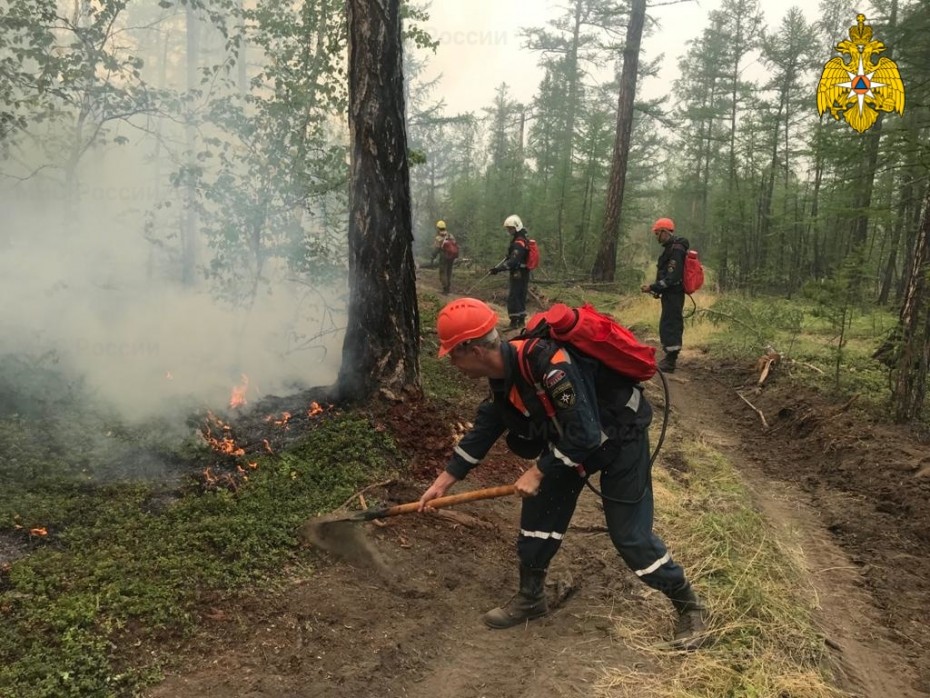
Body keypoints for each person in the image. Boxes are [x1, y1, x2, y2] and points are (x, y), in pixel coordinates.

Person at [418, 297, 709, 650]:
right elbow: (486, 427)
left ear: (474, 349)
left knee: (630, 537)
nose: (451, 362)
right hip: (572, 443)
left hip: (619, 436)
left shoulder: (551, 366)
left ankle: (689, 606)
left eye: (453, 353)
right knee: (538, 517)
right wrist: (442, 483)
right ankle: (531, 597)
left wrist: (539, 470)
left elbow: (586, 434)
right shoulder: (503, 376)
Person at [641, 217, 689, 373]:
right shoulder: (671, 248)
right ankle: (669, 357)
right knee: (667, 324)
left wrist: (654, 287)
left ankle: (670, 361)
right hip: (670, 293)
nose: (656, 237)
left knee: (671, 324)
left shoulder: (676, 249)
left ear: (664, 231)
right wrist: (657, 289)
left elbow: (672, 277)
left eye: (657, 233)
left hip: (674, 293)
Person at [490, 215, 531, 328]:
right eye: (508, 228)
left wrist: (498, 269)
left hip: (517, 272)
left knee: (514, 296)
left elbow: (513, 262)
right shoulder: (523, 239)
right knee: (521, 295)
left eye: (511, 228)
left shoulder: (518, 243)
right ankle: (521, 320)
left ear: (517, 227)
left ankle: (514, 321)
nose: (509, 230)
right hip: (524, 272)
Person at [429, 220, 457, 294]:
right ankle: (448, 288)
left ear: (438, 228)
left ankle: (445, 289)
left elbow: (437, 249)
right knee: (449, 272)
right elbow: (455, 244)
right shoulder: (450, 235)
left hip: (444, 256)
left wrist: (432, 257)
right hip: (451, 257)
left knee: (442, 272)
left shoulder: (439, 237)